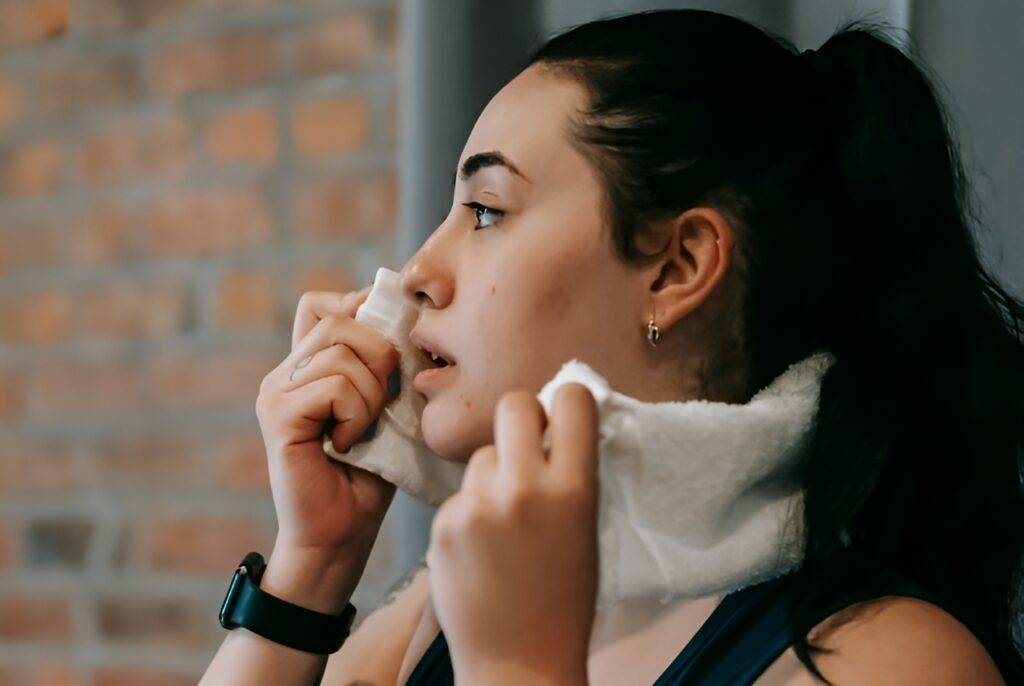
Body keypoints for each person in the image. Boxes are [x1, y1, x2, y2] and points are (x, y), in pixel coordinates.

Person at [200, 8, 1023, 685]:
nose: (415, 271)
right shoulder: (435, 613)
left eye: (485, 210)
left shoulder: (898, 662)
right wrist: (313, 563)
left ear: (678, 267)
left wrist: (519, 668)